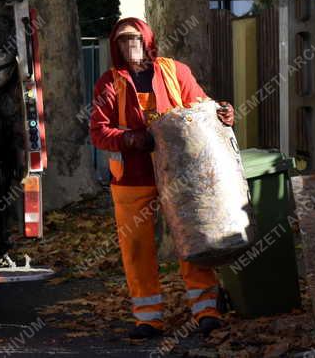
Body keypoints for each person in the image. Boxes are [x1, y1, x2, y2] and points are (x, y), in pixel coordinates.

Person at [89, 17, 235, 339]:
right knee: (137, 247)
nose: (130, 46)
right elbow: (98, 133)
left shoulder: (175, 71)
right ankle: (148, 318)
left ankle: (207, 310)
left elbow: (202, 107)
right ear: (116, 47)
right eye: (122, 41)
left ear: (147, 40)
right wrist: (131, 140)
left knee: (192, 238)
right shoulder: (109, 83)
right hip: (132, 178)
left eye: (135, 39)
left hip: (180, 174)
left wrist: (224, 112)